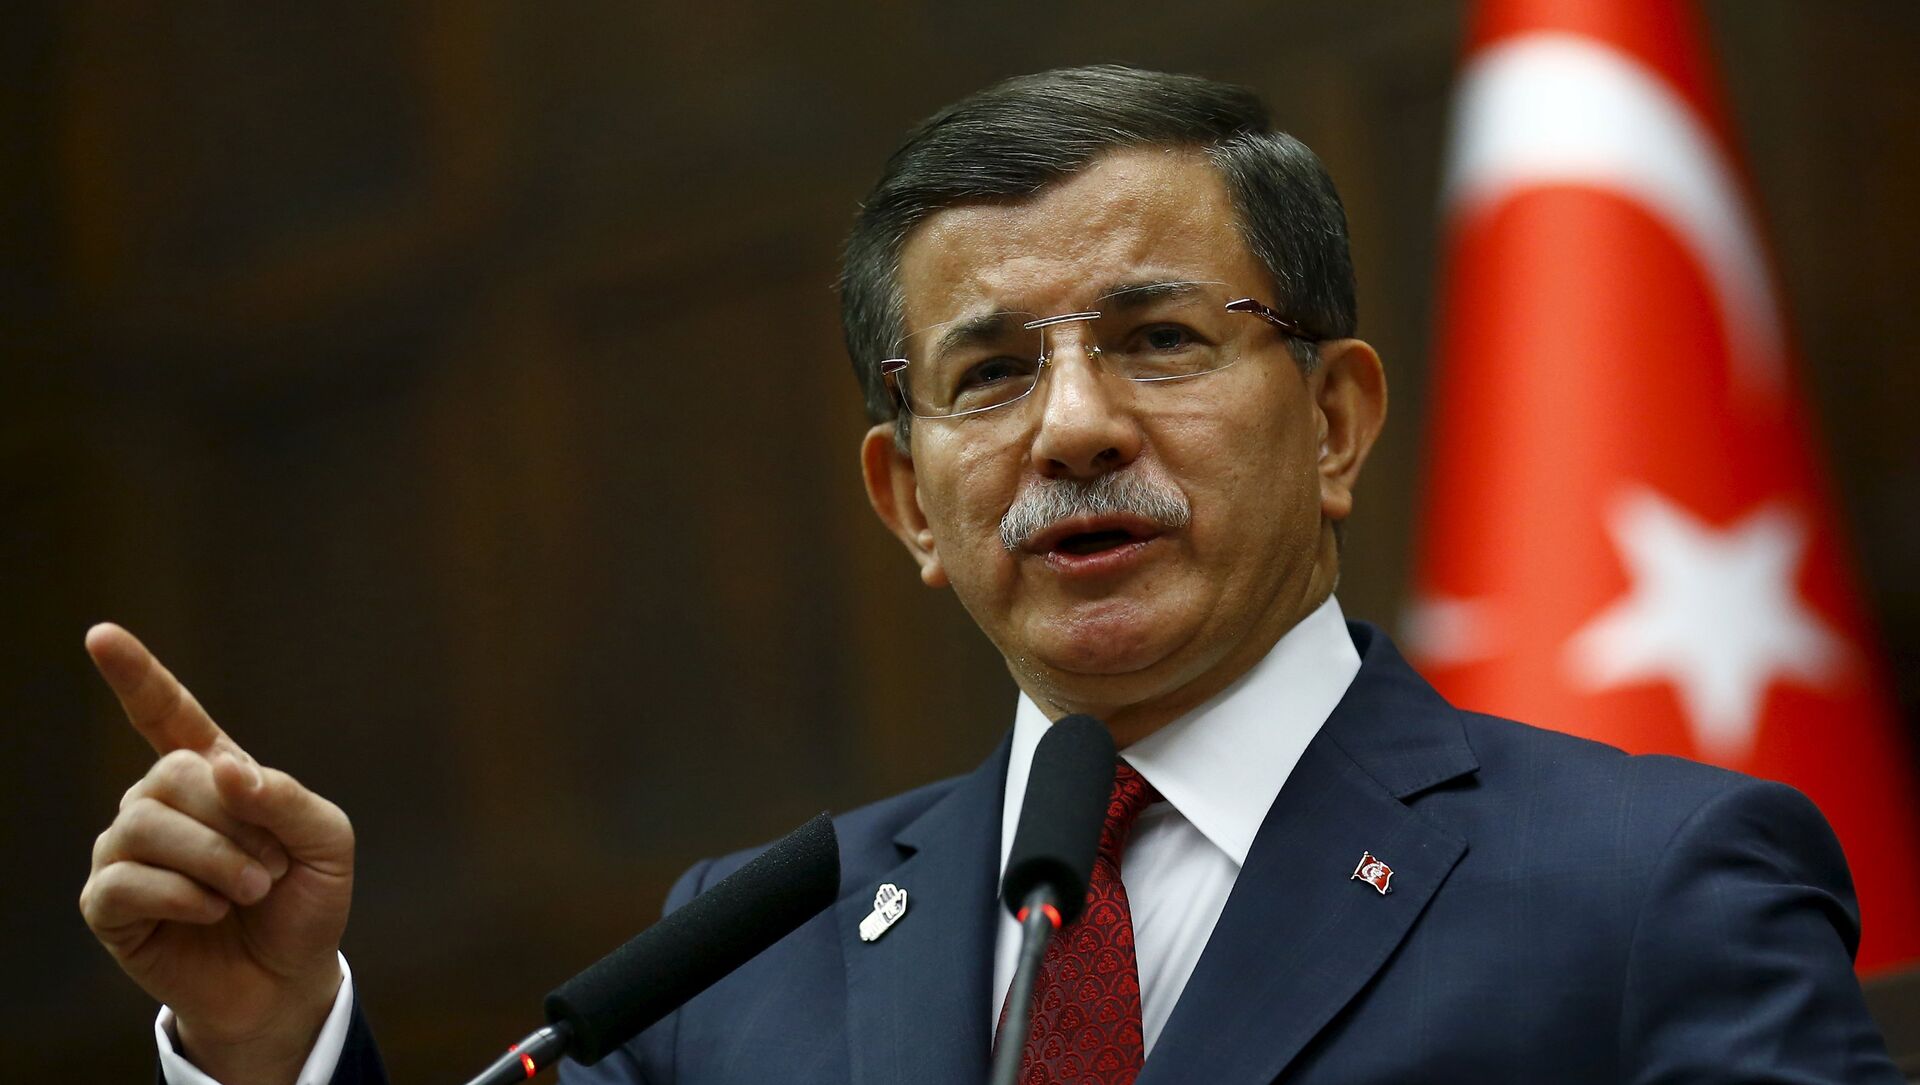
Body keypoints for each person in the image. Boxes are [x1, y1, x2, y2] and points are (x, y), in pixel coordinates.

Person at [81, 65, 1899, 1084]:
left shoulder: (1648, 887)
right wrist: (268, 1040)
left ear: (1338, 420)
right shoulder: (739, 962)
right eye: (991, 374)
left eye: (1161, 339)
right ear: (909, 503)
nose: (1075, 429)